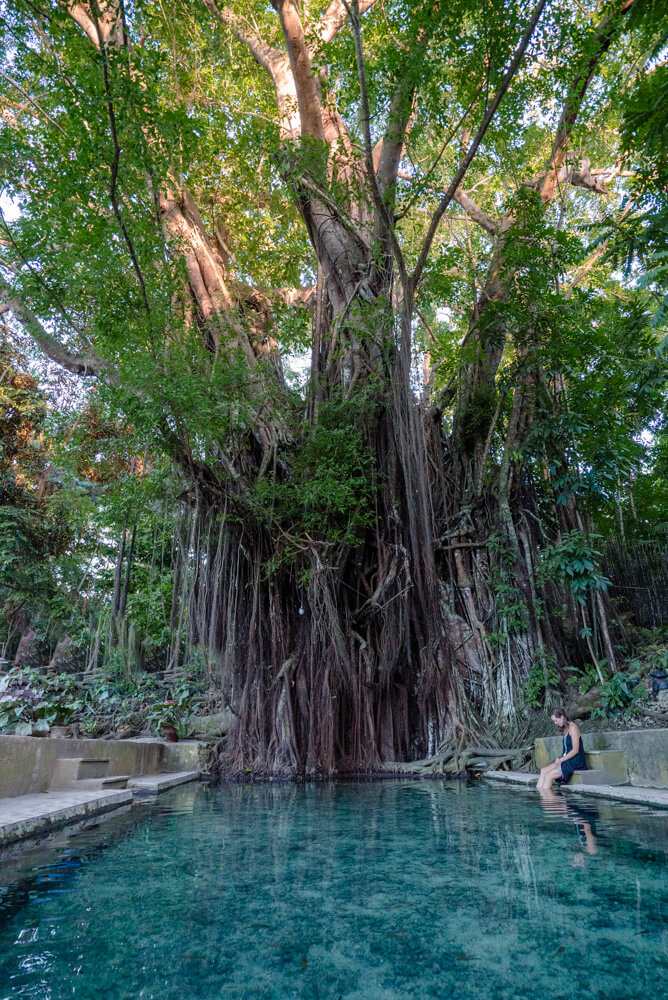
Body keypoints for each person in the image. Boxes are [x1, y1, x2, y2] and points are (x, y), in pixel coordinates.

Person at [536, 707, 587, 791]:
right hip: (565, 759)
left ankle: (548, 802)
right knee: (543, 771)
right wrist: (560, 759)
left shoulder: (573, 728)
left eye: (556, 720)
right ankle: (541, 797)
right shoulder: (564, 728)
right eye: (554, 721)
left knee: (549, 776)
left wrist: (561, 760)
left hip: (575, 761)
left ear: (562, 717)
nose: (555, 723)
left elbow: (575, 750)